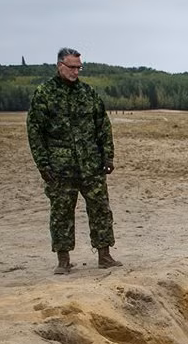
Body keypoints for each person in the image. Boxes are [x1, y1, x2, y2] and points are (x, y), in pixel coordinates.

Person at [27, 48, 122, 274]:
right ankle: (63, 260)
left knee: (100, 209)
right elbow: (35, 132)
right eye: (72, 67)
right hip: (60, 168)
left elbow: (103, 125)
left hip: (91, 165)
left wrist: (108, 155)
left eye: (79, 67)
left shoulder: (88, 93)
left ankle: (104, 255)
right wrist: (43, 165)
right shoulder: (44, 94)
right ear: (60, 66)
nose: (76, 71)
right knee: (61, 213)